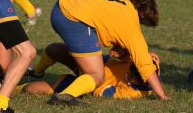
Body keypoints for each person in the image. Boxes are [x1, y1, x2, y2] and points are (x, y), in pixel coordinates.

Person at [44, 0, 169, 106]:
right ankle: (64, 97)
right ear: (142, 14)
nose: (139, 26)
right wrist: (162, 96)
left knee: (58, 51)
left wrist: (121, 51)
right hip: (72, 18)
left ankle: (36, 71)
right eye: (142, 23)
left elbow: (107, 22)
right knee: (97, 75)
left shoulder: (121, 2)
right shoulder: (131, 25)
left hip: (60, 7)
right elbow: (145, 65)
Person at [18, 43, 161, 100]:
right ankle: (35, 72)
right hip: (92, 62)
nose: (127, 72)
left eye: (129, 76)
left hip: (87, 81)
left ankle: (11, 88)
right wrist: (121, 53)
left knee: (31, 88)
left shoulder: (135, 92)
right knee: (54, 49)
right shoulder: (149, 65)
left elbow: (101, 92)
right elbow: (152, 56)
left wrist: (92, 78)